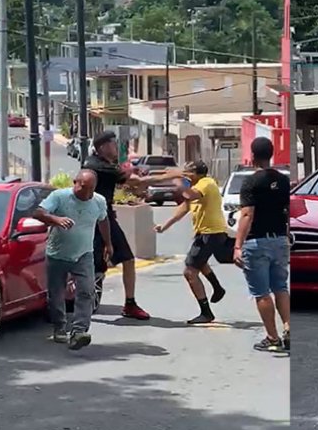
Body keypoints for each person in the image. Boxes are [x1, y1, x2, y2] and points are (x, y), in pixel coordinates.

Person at [83, 131, 182, 320]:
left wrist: (140, 192)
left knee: (123, 259)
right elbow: (136, 181)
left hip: (103, 216)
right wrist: (170, 175)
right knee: (95, 265)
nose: (117, 148)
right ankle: (86, 305)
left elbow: (127, 185)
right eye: (113, 144)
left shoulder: (99, 164)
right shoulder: (99, 166)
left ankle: (129, 304)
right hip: (96, 220)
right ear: (103, 146)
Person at [34, 170, 112, 350]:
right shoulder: (59, 197)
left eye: (91, 189)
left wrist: (108, 244)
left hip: (84, 254)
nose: (87, 193)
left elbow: (103, 220)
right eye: (83, 187)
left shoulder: (98, 201)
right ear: (75, 182)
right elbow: (38, 213)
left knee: (87, 291)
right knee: (56, 294)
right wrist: (55, 219)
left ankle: (79, 332)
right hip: (57, 254)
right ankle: (60, 327)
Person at [234, 137, 291, 352]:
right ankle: (288, 326)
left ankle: (273, 337)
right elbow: (288, 212)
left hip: (257, 242)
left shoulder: (251, 182)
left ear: (252, 156)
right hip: (279, 240)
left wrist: (237, 245)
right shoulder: (284, 181)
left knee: (261, 292)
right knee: (280, 287)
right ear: (271, 154)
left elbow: (247, 214)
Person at [155, 160, 228, 324]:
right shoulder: (197, 186)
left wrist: (177, 181)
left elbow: (189, 195)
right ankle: (218, 288)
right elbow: (184, 208)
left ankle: (206, 312)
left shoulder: (206, 183)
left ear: (196, 173)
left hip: (211, 233)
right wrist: (165, 226)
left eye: (188, 173)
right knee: (200, 263)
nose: (185, 175)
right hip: (206, 233)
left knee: (189, 272)